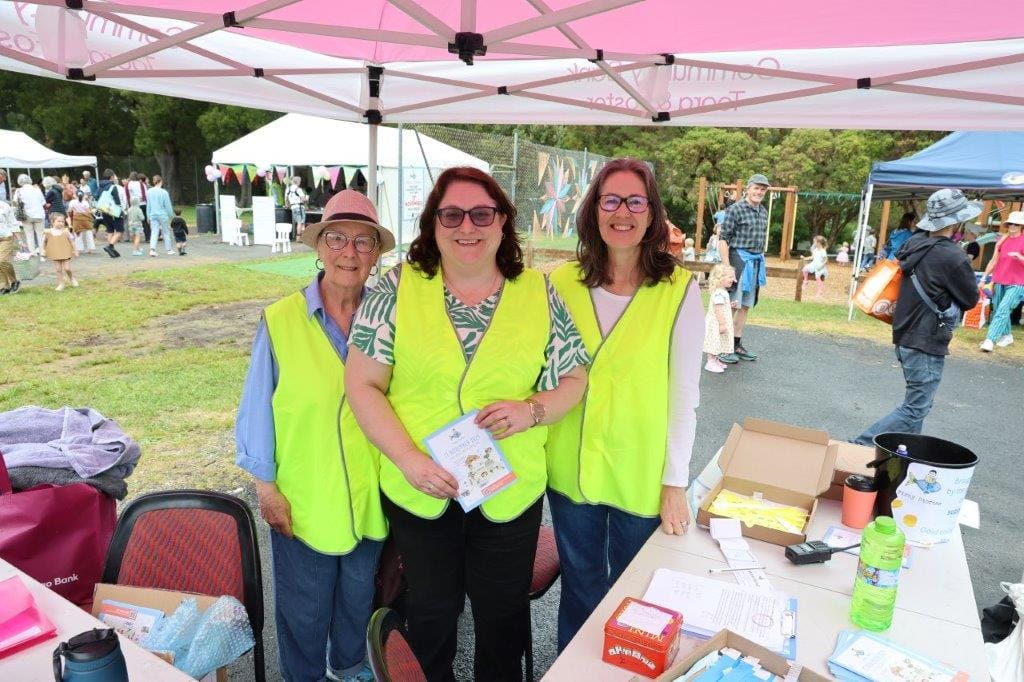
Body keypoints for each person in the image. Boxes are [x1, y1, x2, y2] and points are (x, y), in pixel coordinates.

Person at [345, 167, 588, 682]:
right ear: (433, 225)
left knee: (502, 618)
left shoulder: (538, 293)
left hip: (508, 485)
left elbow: (574, 377)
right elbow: (362, 385)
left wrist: (533, 410)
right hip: (423, 484)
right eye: (451, 214)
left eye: (482, 213)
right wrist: (408, 460)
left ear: (503, 223)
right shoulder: (396, 288)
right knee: (430, 615)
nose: (467, 226)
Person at [235, 189, 395, 682]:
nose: (350, 252)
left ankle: (349, 668)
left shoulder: (391, 316)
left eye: (364, 242)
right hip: (303, 495)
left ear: (376, 254)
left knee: (356, 597)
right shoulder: (281, 320)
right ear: (319, 247)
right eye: (337, 239)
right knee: (304, 609)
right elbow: (256, 408)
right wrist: (265, 487)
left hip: (371, 491)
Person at [546, 158, 703, 652]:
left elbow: (685, 397)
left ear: (653, 215)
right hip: (571, 468)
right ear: (593, 210)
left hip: (641, 470)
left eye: (636, 201)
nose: (622, 212)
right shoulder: (559, 284)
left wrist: (675, 482)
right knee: (581, 591)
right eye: (610, 200)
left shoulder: (679, 291)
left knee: (639, 598)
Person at [853, 189, 980, 445]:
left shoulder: (913, 244)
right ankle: (860, 444)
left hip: (905, 334)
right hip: (926, 339)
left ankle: (904, 456)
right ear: (955, 220)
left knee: (916, 408)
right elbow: (969, 299)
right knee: (915, 408)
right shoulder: (953, 256)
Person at [717, 173, 769, 363]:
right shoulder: (735, 209)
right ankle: (723, 347)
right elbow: (723, 239)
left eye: (763, 190)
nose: (759, 192)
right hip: (738, 259)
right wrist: (727, 267)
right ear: (748, 188)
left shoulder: (763, 211)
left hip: (755, 261)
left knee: (745, 305)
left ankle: (736, 344)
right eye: (756, 188)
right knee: (732, 304)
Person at [979, 211, 1024, 352]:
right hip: (999, 280)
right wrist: (983, 278)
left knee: (1003, 309)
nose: (1013, 226)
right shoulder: (1003, 240)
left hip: (1017, 282)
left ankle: (989, 340)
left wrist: (1020, 257)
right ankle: (1007, 335)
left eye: (1016, 224)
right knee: (999, 310)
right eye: (1010, 223)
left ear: (1022, 226)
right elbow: (993, 261)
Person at [703, 264, 736, 373]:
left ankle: (715, 359)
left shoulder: (722, 292)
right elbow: (718, 310)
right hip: (716, 323)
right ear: (720, 278)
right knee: (714, 341)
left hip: (719, 321)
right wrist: (722, 324)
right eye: (730, 277)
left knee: (719, 341)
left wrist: (730, 305)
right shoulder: (719, 293)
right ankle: (710, 362)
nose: (733, 279)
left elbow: (722, 306)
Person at [43, 213, 78, 291]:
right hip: (55, 253)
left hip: (65, 252)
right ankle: (61, 284)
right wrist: (44, 251)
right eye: (58, 221)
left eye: (62, 221)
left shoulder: (66, 231)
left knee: (67, 268)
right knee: (58, 269)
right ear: (52, 222)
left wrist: (75, 250)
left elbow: (72, 241)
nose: (61, 223)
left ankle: (72, 278)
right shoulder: (48, 232)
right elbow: (45, 242)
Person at [14, 174, 46, 259]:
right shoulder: (37, 189)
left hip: (26, 215)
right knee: (41, 234)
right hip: (39, 214)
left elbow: (16, 203)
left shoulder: (18, 191)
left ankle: (33, 253)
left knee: (29, 235)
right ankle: (43, 254)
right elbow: (43, 202)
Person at [97, 169, 124, 258]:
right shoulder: (113, 187)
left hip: (104, 210)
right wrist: (121, 211)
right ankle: (110, 246)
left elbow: (96, 197)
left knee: (110, 230)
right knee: (120, 230)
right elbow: (117, 201)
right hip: (113, 211)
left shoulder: (100, 187)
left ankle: (111, 250)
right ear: (111, 177)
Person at [146, 175, 175, 257]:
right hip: (163, 215)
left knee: (154, 232)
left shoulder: (149, 192)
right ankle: (169, 249)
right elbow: (168, 205)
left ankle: (152, 249)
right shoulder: (164, 192)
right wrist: (171, 215)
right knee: (166, 232)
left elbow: (149, 205)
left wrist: (148, 216)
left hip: (153, 215)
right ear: (160, 181)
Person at [0, 199, 20, 295]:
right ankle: (4, 286)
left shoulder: (4, 206)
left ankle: (14, 281)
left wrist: (20, 240)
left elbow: (13, 223)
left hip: (5, 238)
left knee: (2, 261)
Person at [67, 190, 95, 254]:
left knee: (78, 234)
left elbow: (69, 211)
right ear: (83, 196)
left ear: (75, 195)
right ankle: (90, 249)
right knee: (88, 234)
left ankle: (79, 249)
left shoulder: (72, 202)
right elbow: (88, 211)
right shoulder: (85, 202)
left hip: (77, 220)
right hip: (86, 220)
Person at [126, 171, 149, 241]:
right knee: (145, 221)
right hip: (143, 203)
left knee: (134, 220)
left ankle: (135, 237)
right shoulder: (142, 184)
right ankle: (148, 237)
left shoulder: (130, 184)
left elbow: (128, 194)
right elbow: (146, 194)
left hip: (135, 205)